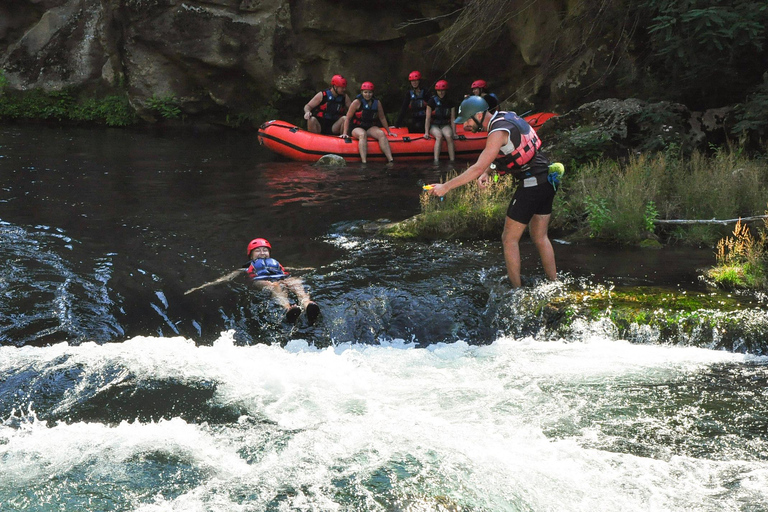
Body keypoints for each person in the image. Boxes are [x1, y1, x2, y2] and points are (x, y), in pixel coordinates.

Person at [426, 96, 557, 288]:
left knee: (509, 239)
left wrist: (445, 187)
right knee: (539, 236)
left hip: (532, 183)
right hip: (547, 178)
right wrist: (489, 171)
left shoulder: (497, 132)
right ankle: (554, 283)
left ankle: (516, 290)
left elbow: (477, 168)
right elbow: (509, 151)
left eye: (468, 120)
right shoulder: (506, 116)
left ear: (479, 115)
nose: (466, 126)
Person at [184, 238, 320, 324]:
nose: (262, 253)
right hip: (261, 280)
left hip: (281, 277)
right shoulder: (246, 268)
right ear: (251, 254)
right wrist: (202, 286)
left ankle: (307, 304)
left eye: (265, 250)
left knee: (295, 282)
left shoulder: (276, 263)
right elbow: (226, 278)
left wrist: (309, 268)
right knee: (274, 285)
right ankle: (288, 308)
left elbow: (289, 269)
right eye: (258, 251)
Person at [341, 81, 395, 164]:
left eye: (370, 92)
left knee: (381, 133)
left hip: (370, 127)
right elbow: (348, 118)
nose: (367, 94)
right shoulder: (356, 102)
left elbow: (382, 117)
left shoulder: (377, 103)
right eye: (365, 92)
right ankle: (364, 161)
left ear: (372, 93)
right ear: (362, 92)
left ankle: (390, 160)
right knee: (362, 134)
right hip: (356, 127)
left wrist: (388, 131)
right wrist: (345, 133)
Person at [424, 79, 457, 163]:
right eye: (439, 91)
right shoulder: (431, 102)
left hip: (445, 124)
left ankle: (452, 160)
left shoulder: (450, 102)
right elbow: (428, 118)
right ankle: (436, 160)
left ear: (445, 91)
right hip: (434, 125)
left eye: (442, 91)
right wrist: (426, 132)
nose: (441, 93)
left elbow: (453, 118)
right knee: (439, 136)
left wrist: (454, 132)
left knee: (449, 136)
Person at [394, 70, 431, 135]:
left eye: (416, 81)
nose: (414, 83)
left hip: (424, 118)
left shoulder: (425, 91)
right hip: (414, 118)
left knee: (419, 125)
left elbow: (431, 105)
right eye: (412, 81)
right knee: (411, 123)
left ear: (419, 81)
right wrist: (397, 124)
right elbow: (404, 108)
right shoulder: (409, 93)